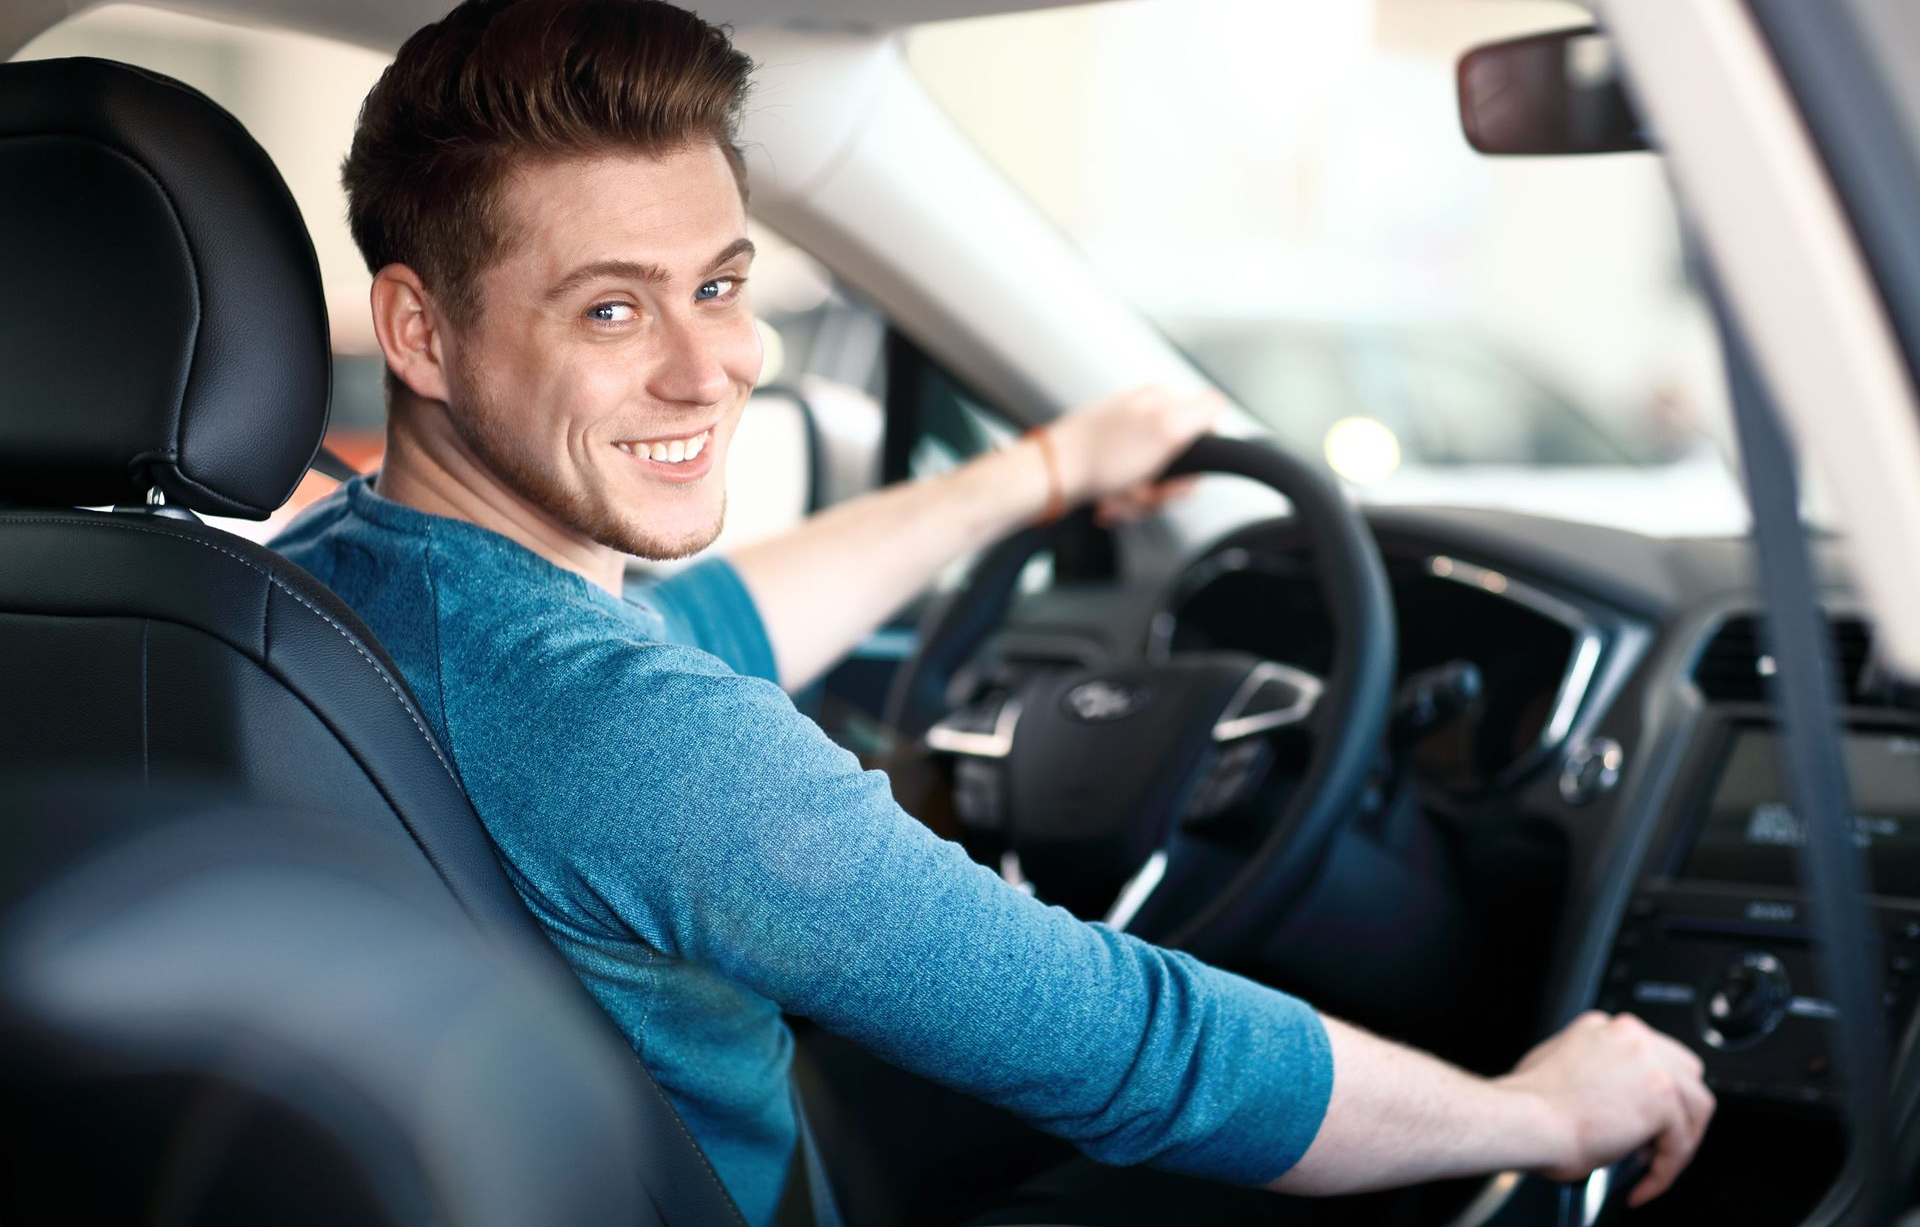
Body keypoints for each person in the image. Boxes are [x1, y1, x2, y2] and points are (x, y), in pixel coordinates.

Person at [273, 1, 1714, 1223]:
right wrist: (1532, 1107)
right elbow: (1139, 1050)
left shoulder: (323, 579)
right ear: (417, 331)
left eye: (720, 284)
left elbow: (699, 628)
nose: (712, 365)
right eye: (610, 310)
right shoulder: (651, 748)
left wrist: (1034, 473)